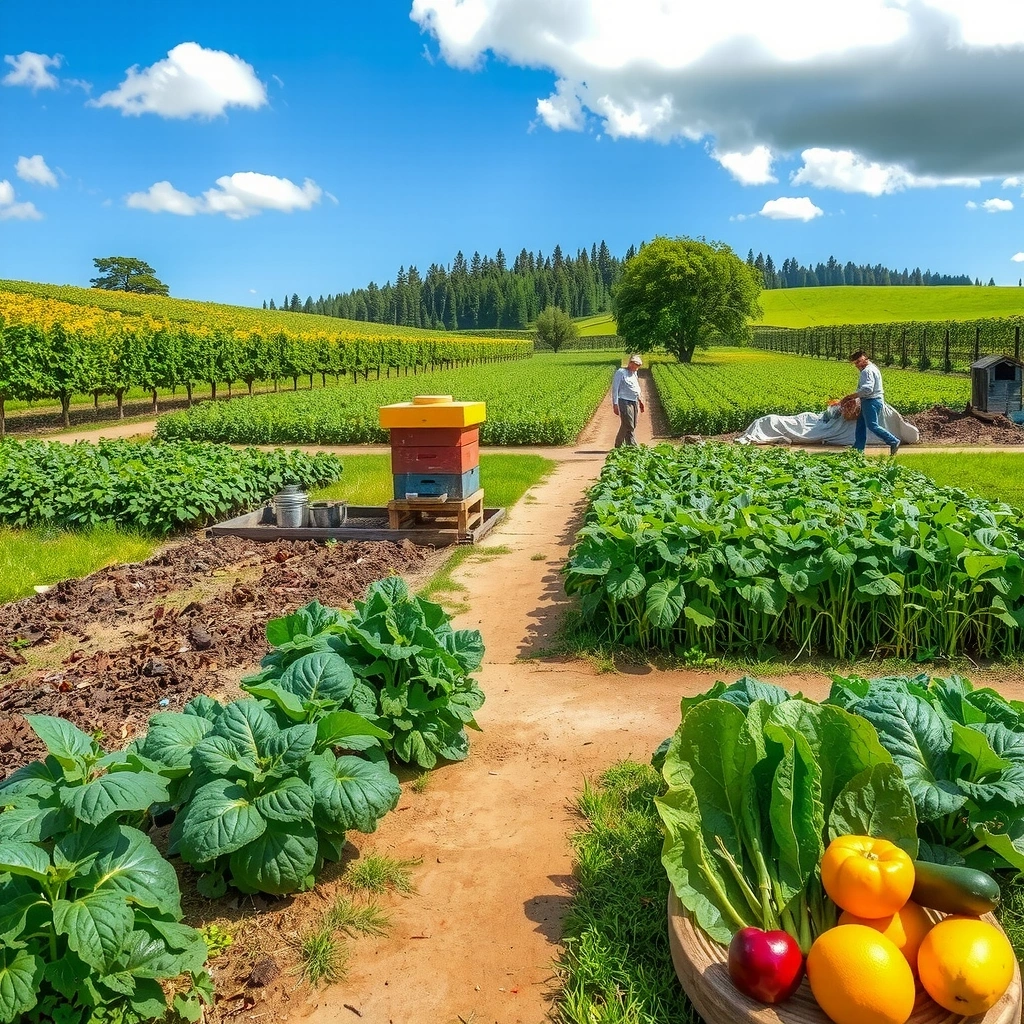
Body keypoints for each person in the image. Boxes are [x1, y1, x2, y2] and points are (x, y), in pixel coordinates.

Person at [844, 350, 902, 456]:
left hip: (871, 401)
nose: (857, 365)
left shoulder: (867, 371)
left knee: (872, 425)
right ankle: (858, 449)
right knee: (861, 424)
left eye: (858, 362)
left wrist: (852, 396)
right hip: (871, 400)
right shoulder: (873, 368)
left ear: (865, 359)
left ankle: (893, 441)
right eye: (855, 363)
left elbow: (867, 389)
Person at [612, 354, 645, 447]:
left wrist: (640, 400)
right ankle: (620, 444)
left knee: (633, 424)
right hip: (624, 401)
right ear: (630, 363)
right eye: (636, 365)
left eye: (639, 365)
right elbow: (615, 388)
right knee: (628, 424)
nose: (637, 367)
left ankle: (630, 445)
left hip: (634, 401)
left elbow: (636, 387)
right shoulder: (621, 372)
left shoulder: (634, 373)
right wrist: (615, 404)